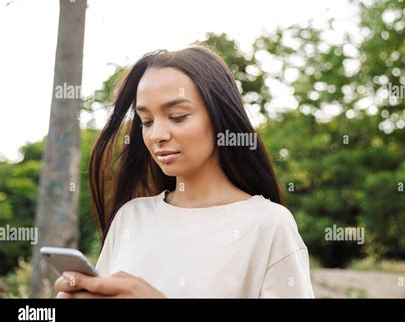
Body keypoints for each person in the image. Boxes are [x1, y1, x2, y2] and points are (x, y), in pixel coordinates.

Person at [55, 46, 315, 298]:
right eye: (146, 121)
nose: (156, 135)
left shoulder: (269, 224)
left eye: (177, 116)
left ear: (219, 117)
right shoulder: (130, 217)